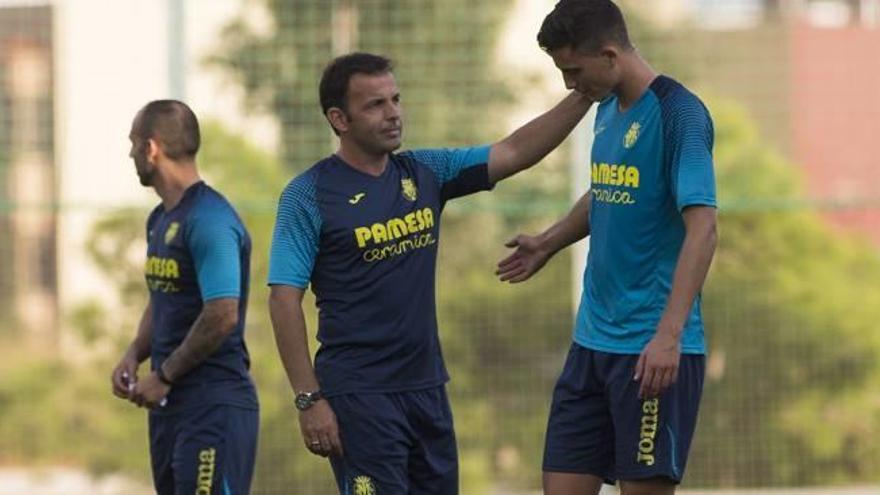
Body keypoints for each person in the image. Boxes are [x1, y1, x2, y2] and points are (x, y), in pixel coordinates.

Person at [267, 52, 591, 494]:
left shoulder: (425, 172)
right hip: (359, 397)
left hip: (426, 388)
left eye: (396, 99)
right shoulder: (308, 195)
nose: (393, 113)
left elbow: (513, 151)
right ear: (339, 119)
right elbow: (283, 299)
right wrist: (309, 400)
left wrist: (585, 95)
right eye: (375, 105)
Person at [496, 1, 718, 494]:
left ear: (611, 54)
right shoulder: (606, 111)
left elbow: (704, 228)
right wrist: (549, 242)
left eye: (573, 70)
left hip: (648, 349)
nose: (569, 83)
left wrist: (668, 335)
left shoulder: (679, 114)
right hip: (591, 343)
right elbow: (609, 189)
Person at [110, 100, 259, 495]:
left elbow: (222, 313)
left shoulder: (210, 219)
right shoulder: (160, 219)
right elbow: (163, 297)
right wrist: (133, 354)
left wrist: (164, 376)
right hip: (169, 409)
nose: (130, 154)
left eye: (133, 143)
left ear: (152, 149)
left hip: (213, 406)